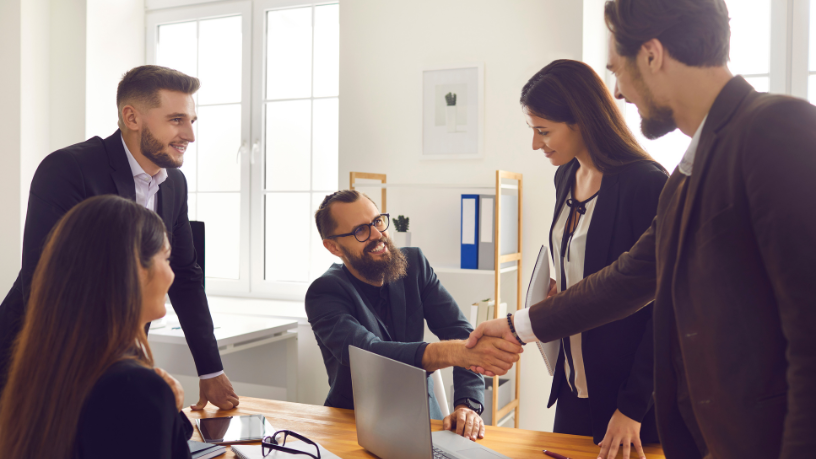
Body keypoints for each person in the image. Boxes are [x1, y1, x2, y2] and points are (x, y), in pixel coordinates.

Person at [467, 1, 816, 458]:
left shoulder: (777, 126)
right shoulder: (686, 176)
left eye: (618, 69)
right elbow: (625, 280)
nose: (617, 90)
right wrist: (518, 326)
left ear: (652, 55)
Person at [0, 65, 238, 410]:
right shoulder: (68, 169)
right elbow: (45, 281)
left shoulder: (174, 183)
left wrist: (210, 370)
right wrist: (119, 372)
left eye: (191, 121)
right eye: (176, 120)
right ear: (132, 117)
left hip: (116, 363)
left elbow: (185, 275)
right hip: (38, 358)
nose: (189, 134)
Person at [519, 59, 667, 455]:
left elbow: (666, 309)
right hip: (572, 387)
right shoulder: (565, 176)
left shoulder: (647, 183)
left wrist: (632, 406)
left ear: (581, 120)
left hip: (629, 402)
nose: (535, 144)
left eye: (543, 131)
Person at [305, 190, 523, 441]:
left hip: (425, 417)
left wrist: (467, 406)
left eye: (377, 221)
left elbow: (461, 333)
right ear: (333, 247)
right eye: (360, 231)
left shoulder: (415, 264)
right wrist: (453, 352)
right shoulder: (324, 292)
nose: (378, 234)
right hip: (354, 424)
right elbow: (368, 352)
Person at [0, 195, 192, 458]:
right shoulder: (136, 388)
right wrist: (159, 402)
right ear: (135, 270)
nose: (172, 275)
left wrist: (167, 408)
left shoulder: (40, 371)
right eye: (166, 259)